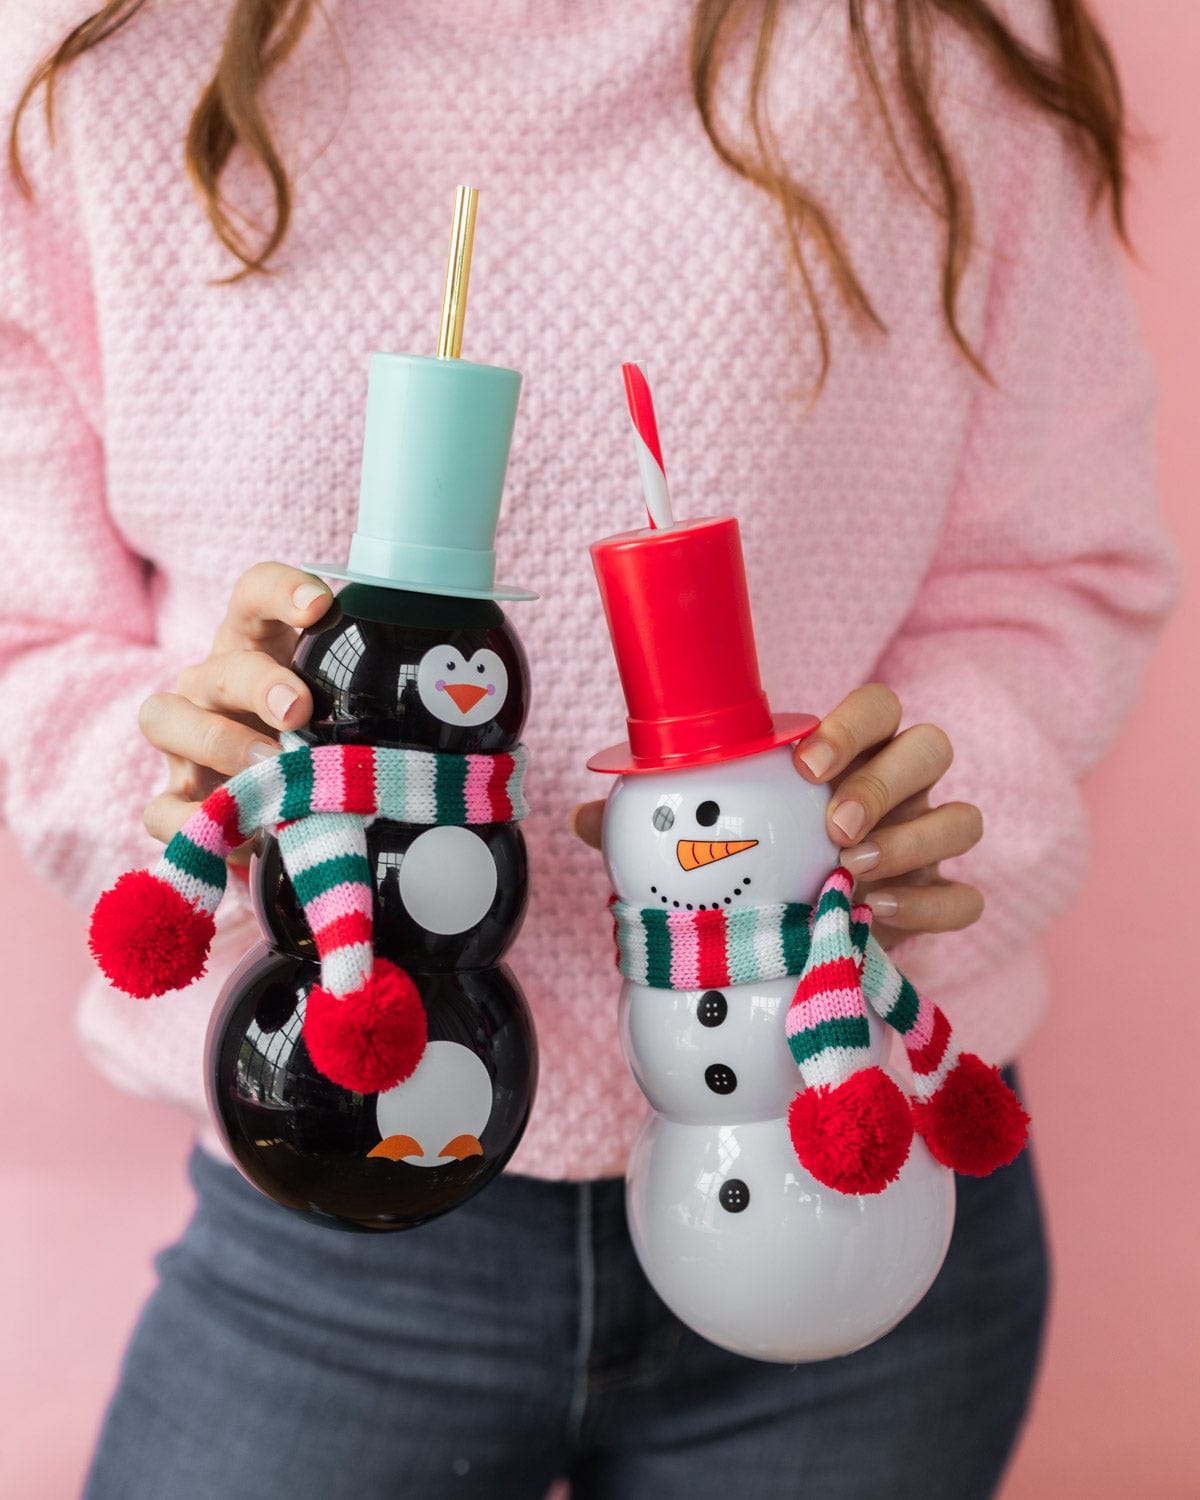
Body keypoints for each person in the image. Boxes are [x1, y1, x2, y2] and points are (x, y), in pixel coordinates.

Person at [0, 1, 1178, 1496]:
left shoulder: (931, 41)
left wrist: (926, 800)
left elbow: (1054, 573)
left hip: (847, 1161)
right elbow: (28, 632)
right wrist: (186, 778)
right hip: (335, 1169)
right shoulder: (93, 58)